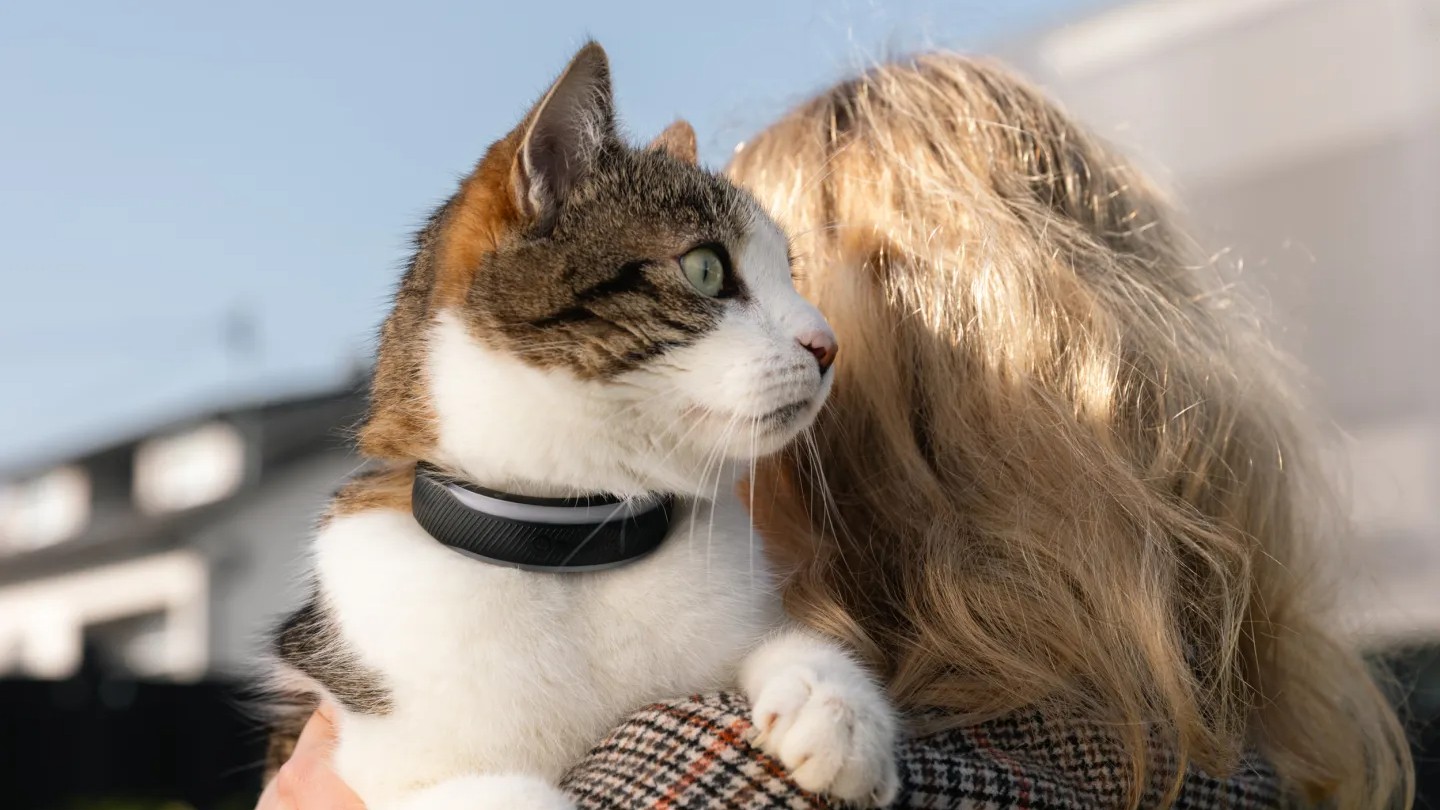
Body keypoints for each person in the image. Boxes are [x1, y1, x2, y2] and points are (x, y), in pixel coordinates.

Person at [259, 53, 1413, 809]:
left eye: (809, 296)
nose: (804, 344)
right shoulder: (1250, 772)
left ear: (885, 422)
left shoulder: (719, 775)